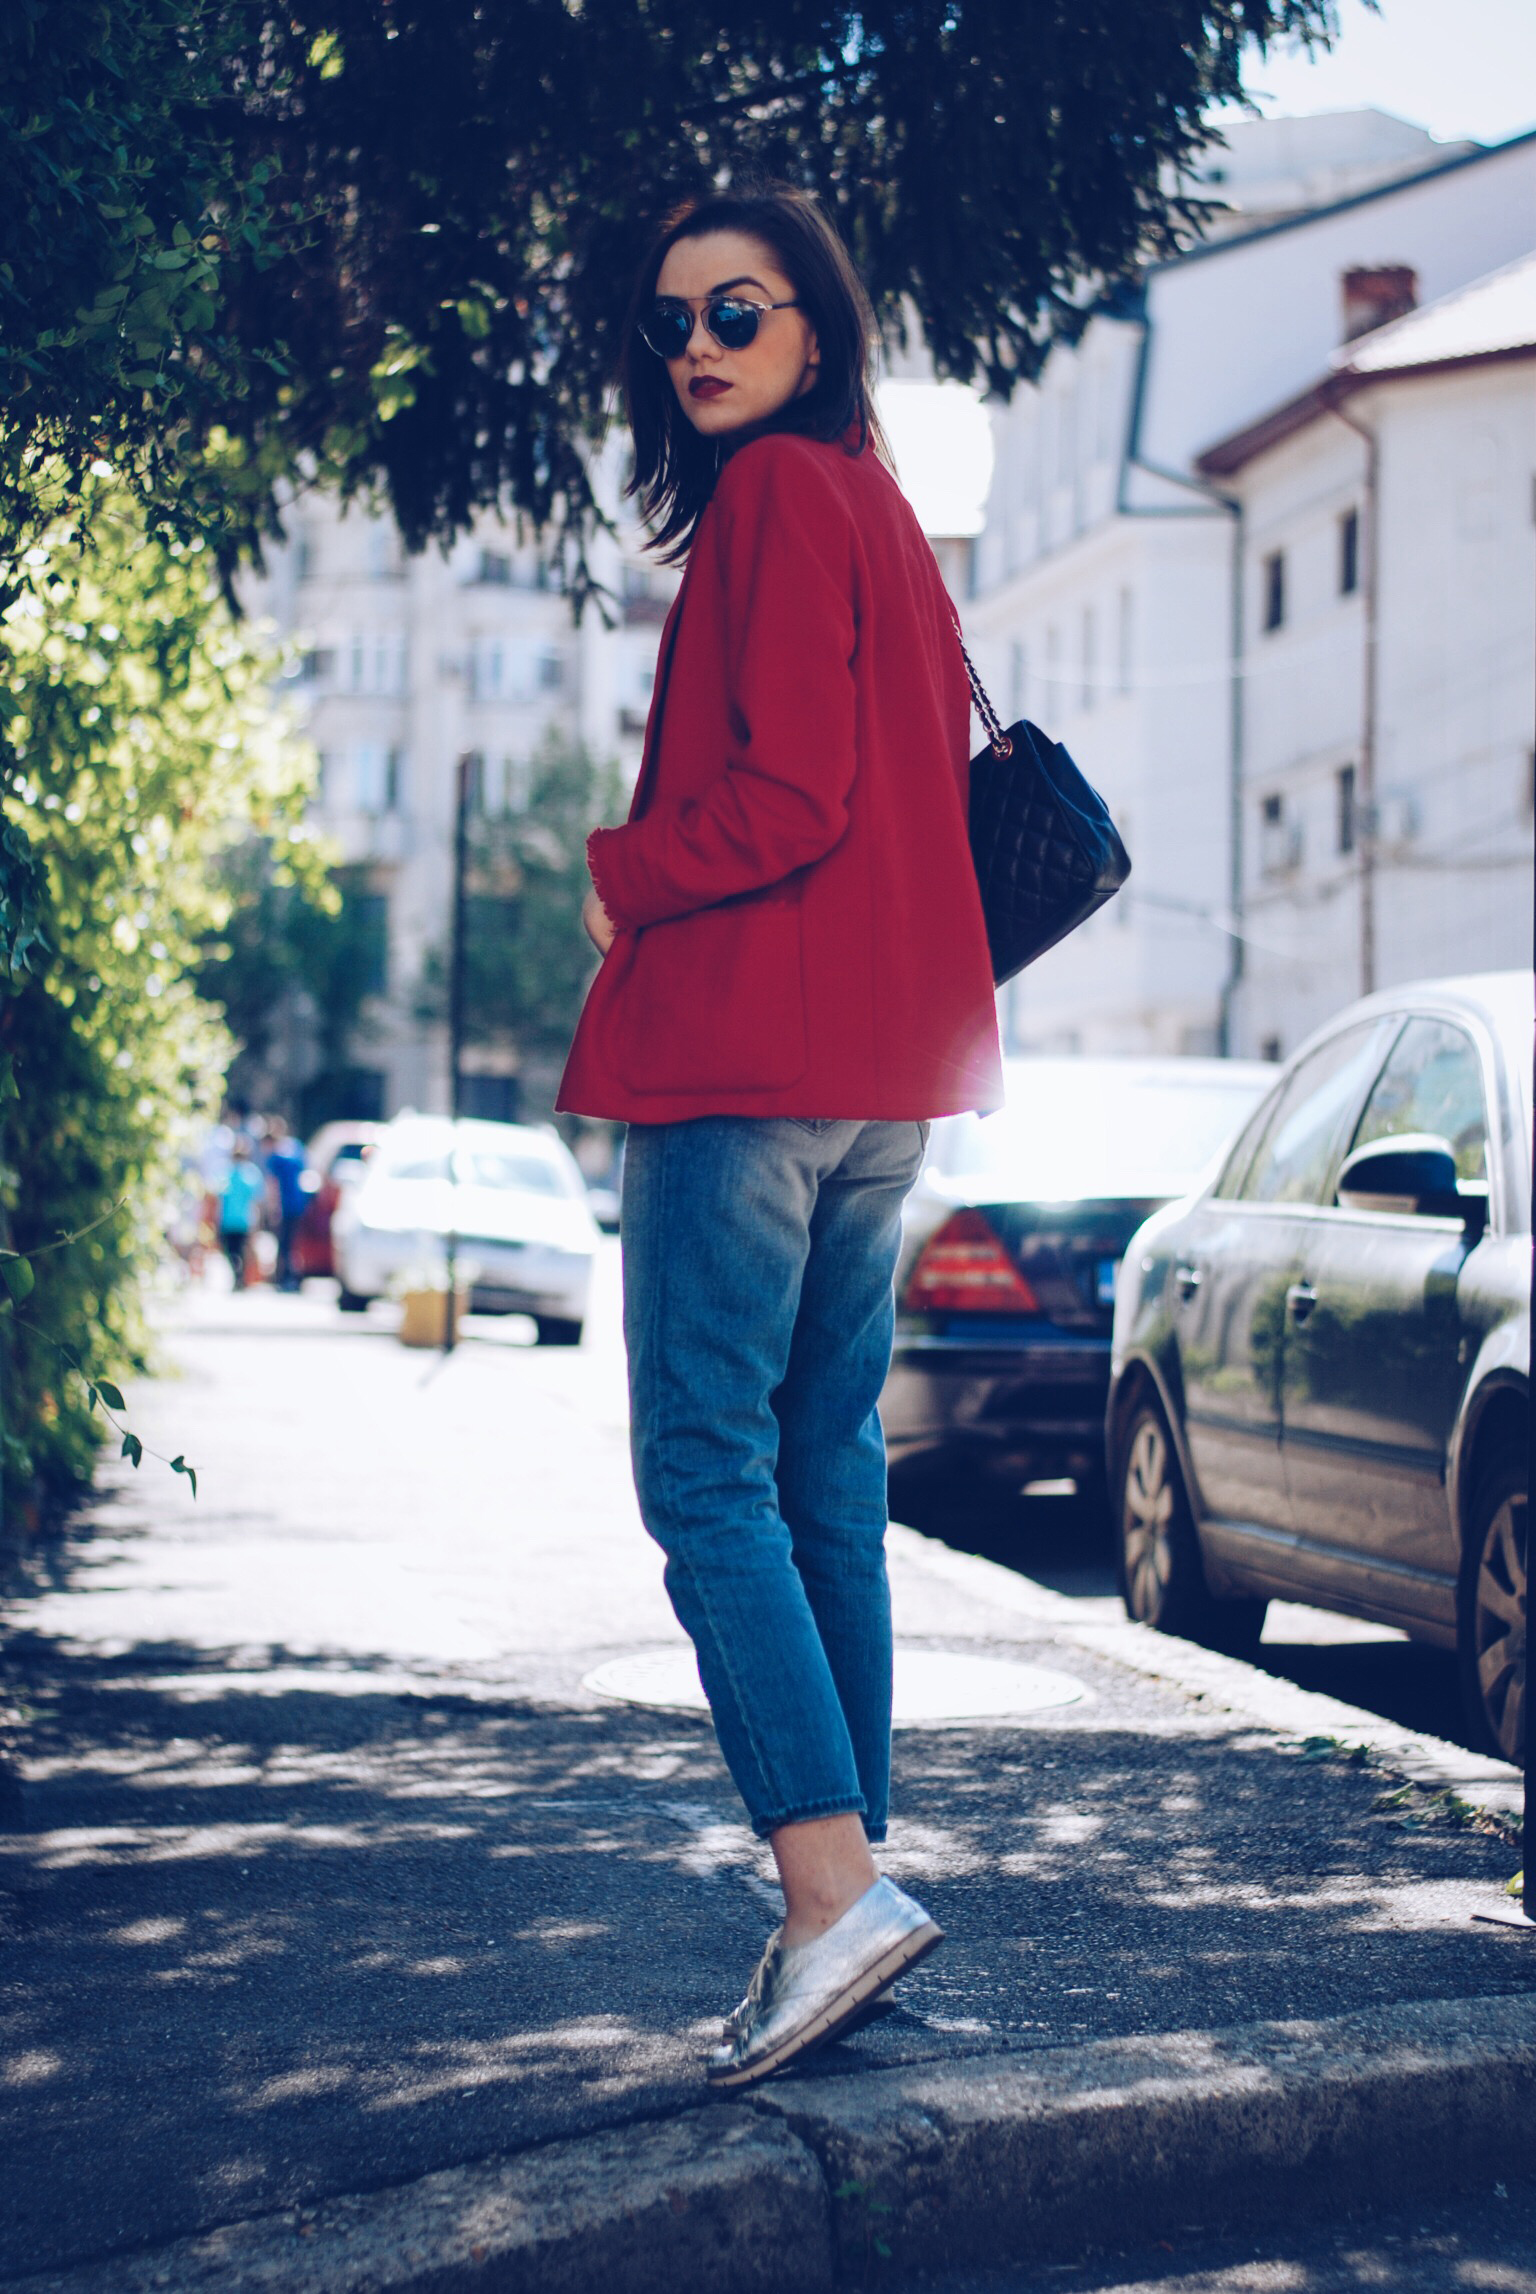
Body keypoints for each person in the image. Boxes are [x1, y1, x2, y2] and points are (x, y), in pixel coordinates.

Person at [557, 183, 1003, 2086]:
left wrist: (620, 877)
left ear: (812, 320)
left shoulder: (774, 502)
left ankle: (828, 1896)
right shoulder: (884, 511)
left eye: (734, 309)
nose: (701, 346)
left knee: (707, 1476)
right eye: (669, 325)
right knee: (824, 1477)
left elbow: (793, 795)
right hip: (889, 1074)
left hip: (751, 1055)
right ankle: (854, 1896)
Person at [263, 1121, 310, 1292]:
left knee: (283, 1243)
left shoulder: (275, 1158)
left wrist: (273, 1208)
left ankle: (285, 1276)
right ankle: (294, 1276)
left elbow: (273, 1184)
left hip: (284, 1205)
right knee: (292, 1242)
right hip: (298, 1202)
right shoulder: (296, 1149)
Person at [217, 1139, 265, 1288]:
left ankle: (238, 1275)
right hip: (240, 1220)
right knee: (238, 1250)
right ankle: (239, 1275)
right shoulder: (247, 1174)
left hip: (232, 1220)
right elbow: (257, 1201)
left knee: (233, 1250)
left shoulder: (232, 1174)